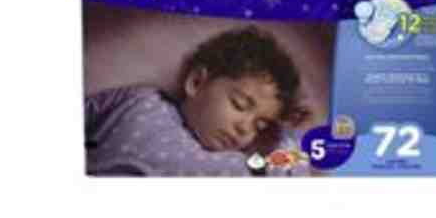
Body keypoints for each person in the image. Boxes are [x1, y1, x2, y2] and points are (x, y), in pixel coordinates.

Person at [84, 26, 308, 176]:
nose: (244, 129)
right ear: (196, 82)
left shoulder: (240, 163)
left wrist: (287, 131)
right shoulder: (142, 102)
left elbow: (292, 163)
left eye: (259, 126)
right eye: (239, 104)